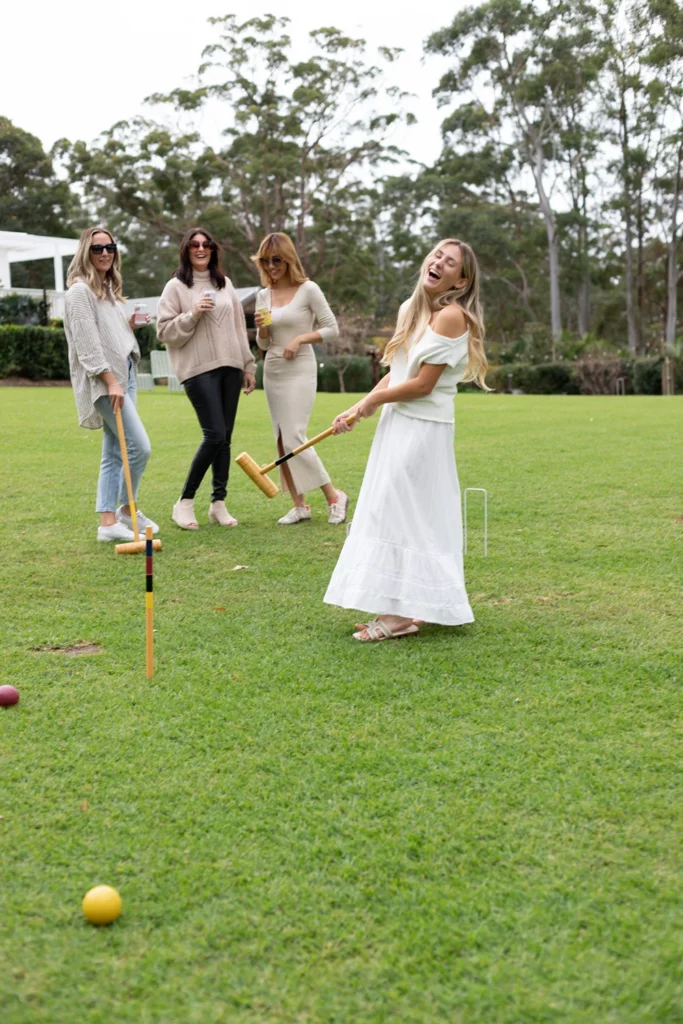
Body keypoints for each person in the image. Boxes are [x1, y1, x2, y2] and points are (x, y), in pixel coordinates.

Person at [324, 238, 490, 641]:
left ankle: (400, 615)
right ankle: (399, 607)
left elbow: (422, 385)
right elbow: (398, 373)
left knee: (402, 512)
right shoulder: (411, 310)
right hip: (396, 425)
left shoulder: (453, 316)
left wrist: (376, 400)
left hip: (423, 430)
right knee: (392, 511)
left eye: (449, 263)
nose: (438, 263)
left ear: (461, 279)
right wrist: (359, 407)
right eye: (436, 255)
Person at [157, 228, 256, 529]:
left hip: (231, 366)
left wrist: (248, 365)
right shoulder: (175, 287)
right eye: (194, 245)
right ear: (186, 250)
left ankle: (218, 503)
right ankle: (184, 502)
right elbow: (163, 331)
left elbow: (240, 327)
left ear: (213, 249)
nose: (201, 249)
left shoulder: (225, 284)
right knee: (214, 434)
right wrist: (193, 313)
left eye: (206, 244)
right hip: (197, 370)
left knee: (225, 438)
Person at [64, 226, 156, 544]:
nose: (105, 253)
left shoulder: (106, 291)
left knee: (115, 450)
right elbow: (87, 345)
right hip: (106, 381)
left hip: (124, 374)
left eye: (110, 247)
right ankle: (125, 512)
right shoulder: (79, 292)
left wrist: (128, 325)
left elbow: (105, 331)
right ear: (85, 253)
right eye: (97, 248)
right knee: (139, 447)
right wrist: (110, 381)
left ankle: (110, 521)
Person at [253, 232, 348, 525]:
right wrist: (263, 329)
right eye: (265, 261)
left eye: (276, 260)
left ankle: (335, 496)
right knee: (282, 439)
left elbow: (332, 328)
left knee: (295, 435)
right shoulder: (262, 295)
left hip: (300, 367)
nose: (271, 267)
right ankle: (300, 505)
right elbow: (264, 345)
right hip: (273, 368)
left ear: (288, 258)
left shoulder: (308, 290)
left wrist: (301, 339)